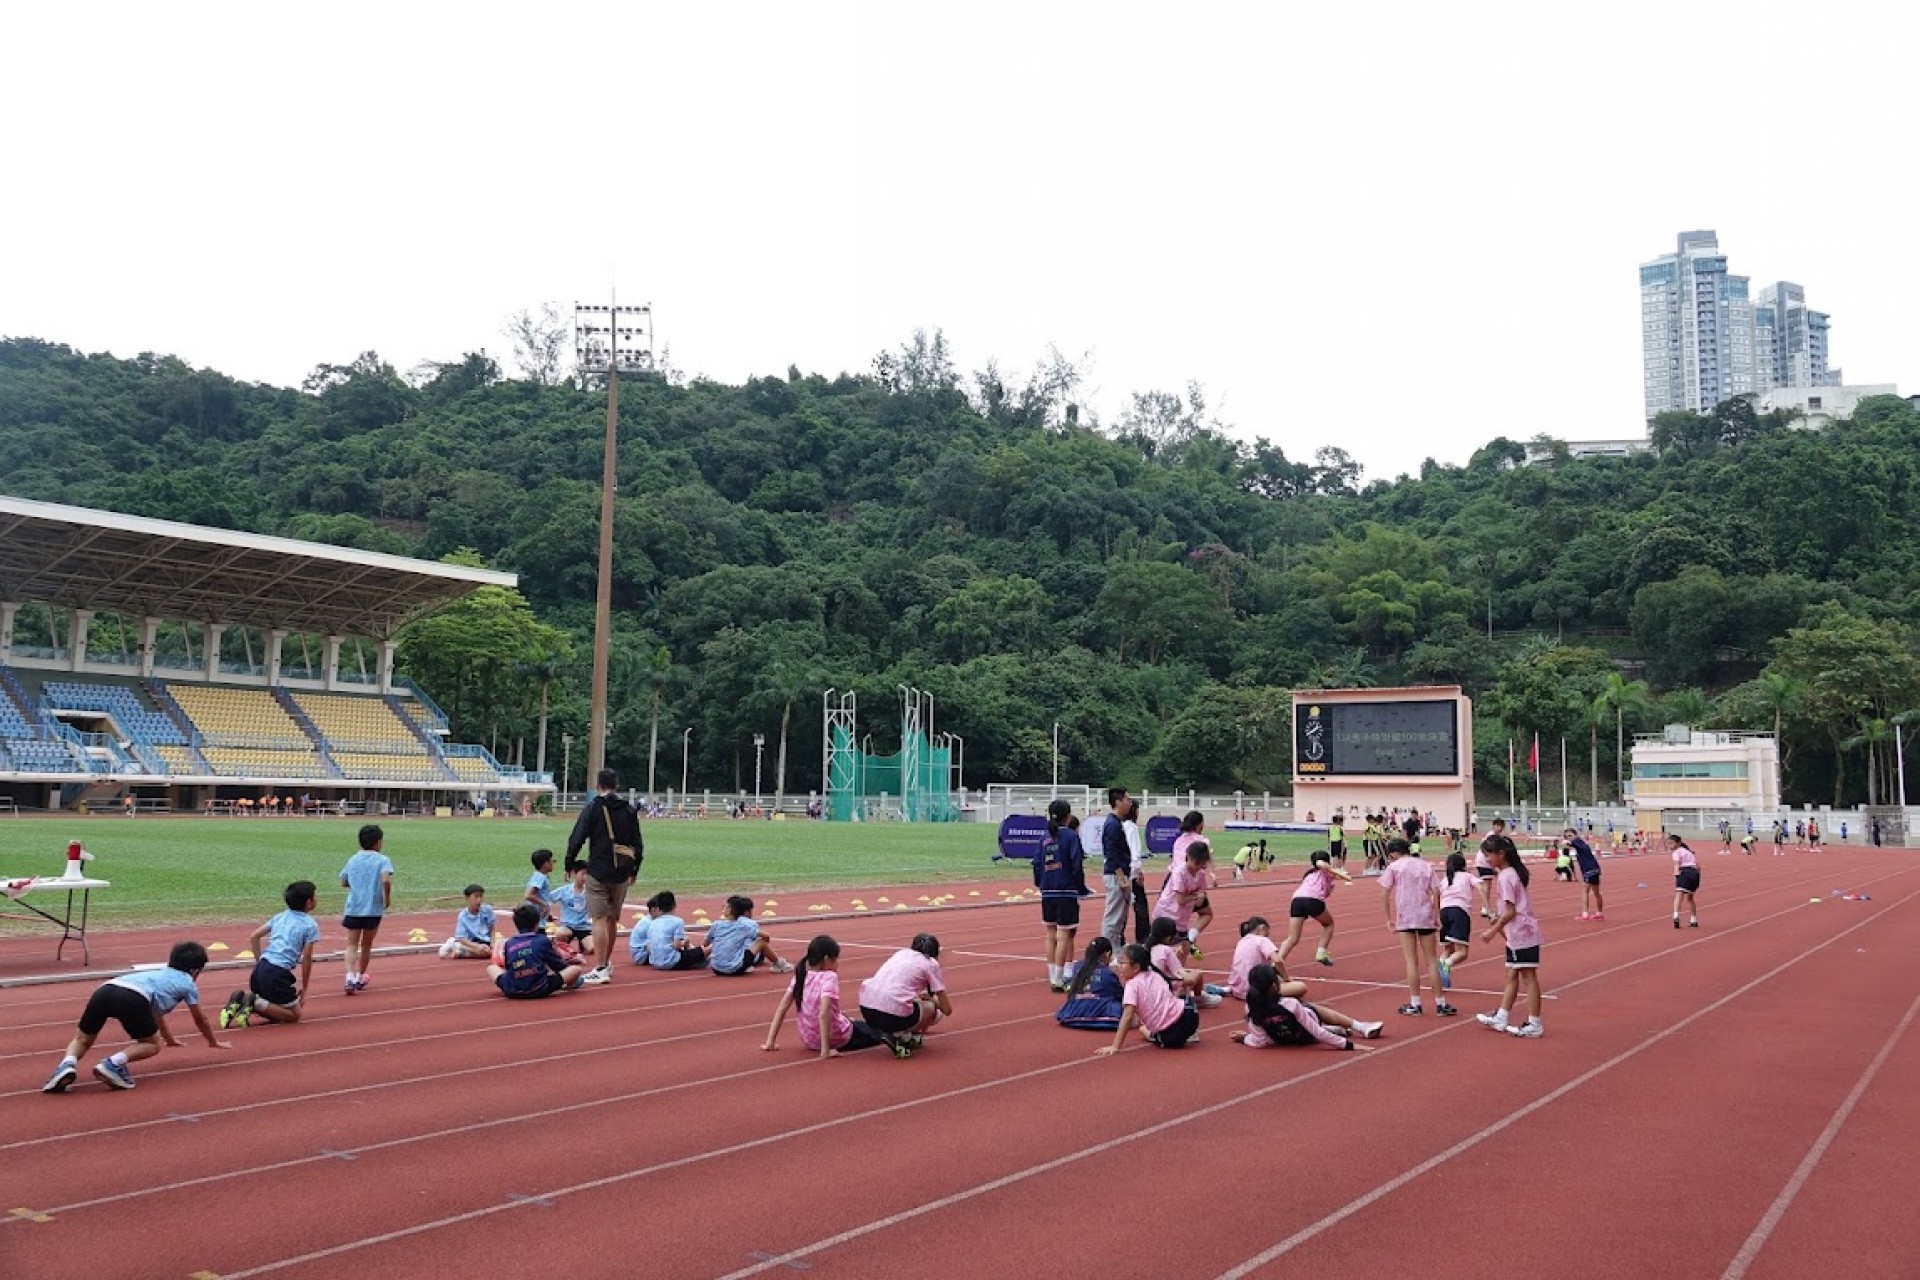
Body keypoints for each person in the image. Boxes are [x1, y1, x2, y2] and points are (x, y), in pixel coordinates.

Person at [43, 941, 229, 1092]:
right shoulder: (188, 984)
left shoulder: (158, 974)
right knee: (153, 1045)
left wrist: (169, 1039)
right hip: (132, 997)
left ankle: (67, 1064)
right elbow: (200, 1019)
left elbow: (156, 1015)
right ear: (195, 971)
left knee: (82, 1039)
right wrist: (213, 1042)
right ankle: (112, 1064)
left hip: (104, 990)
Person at [566, 768, 643, 986]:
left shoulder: (593, 807)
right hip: (622, 871)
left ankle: (600, 968)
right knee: (611, 919)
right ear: (616, 785)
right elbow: (637, 843)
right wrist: (634, 870)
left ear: (598, 785)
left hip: (599, 869)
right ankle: (606, 962)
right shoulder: (628, 809)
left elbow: (577, 837)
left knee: (598, 919)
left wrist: (569, 863)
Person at [762, 935, 888, 1056]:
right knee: (879, 1031)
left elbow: (782, 1008)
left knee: (851, 1021)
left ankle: (849, 1022)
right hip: (836, 1038)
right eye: (836, 959)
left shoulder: (801, 974)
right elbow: (823, 1013)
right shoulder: (829, 977)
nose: (837, 963)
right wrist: (825, 1051)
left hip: (808, 1039)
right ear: (827, 959)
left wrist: (770, 1042)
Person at [223, 881, 320, 1029]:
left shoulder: (280, 917)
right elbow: (307, 959)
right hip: (277, 974)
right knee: (294, 1015)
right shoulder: (310, 925)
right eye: (315, 896)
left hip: (260, 969)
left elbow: (254, 936)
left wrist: (259, 962)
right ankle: (253, 1002)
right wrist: (305, 988)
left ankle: (240, 999)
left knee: (276, 1010)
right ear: (309, 903)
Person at [1477, 836, 1545, 1038]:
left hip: (1522, 932)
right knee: (1511, 974)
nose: (1487, 859)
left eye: (1489, 855)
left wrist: (1493, 930)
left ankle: (1535, 1023)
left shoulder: (1506, 876)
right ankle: (1502, 1016)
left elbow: (1511, 911)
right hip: (1518, 933)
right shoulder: (1510, 873)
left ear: (1501, 854)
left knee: (1528, 977)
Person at [1231, 964, 1382, 1049]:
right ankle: (1360, 1026)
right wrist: (1350, 1046)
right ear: (1274, 985)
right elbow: (1317, 1032)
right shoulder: (1290, 1004)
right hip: (1307, 1036)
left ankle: (1332, 1029)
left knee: (1303, 1018)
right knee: (1314, 1010)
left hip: (1284, 1040)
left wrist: (1244, 1038)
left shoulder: (1251, 1007)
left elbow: (1260, 1041)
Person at [1380, 837, 1447, 1017]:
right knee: (1431, 960)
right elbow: (1436, 891)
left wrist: (1388, 918)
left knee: (1411, 961)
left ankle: (1415, 1003)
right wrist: (1437, 915)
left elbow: (1384, 893)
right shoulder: (1425, 865)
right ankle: (1440, 1003)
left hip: (1405, 916)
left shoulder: (1394, 867)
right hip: (1425, 914)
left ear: (1393, 853)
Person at [1093, 943, 1198, 1055]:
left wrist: (1115, 1046)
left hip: (1170, 1033)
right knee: (1181, 998)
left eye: (1122, 963)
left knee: (1143, 1029)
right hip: (1190, 1015)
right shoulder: (1155, 975)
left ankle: (1175, 1034)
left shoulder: (1132, 985)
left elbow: (1127, 1016)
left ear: (1136, 967)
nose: (1119, 966)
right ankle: (1190, 1033)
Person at [858, 934, 952, 1056]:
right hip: (892, 1015)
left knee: (907, 1003)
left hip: (866, 1008)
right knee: (931, 1008)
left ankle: (900, 1034)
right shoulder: (931, 963)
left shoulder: (901, 953)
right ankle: (900, 1036)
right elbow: (947, 1009)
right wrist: (932, 1000)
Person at [1035, 798, 1088, 991]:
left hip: (1047, 890)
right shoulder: (1071, 837)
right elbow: (1076, 864)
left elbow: (1037, 864)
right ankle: (1059, 978)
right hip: (1066, 891)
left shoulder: (1043, 838)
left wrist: (1040, 884)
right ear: (1068, 816)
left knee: (1050, 934)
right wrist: (1080, 887)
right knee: (1063, 934)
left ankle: (1053, 976)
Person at [488, 902, 586, 999]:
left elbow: (508, 968)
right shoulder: (542, 940)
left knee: (491, 968)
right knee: (575, 970)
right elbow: (558, 965)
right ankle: (569, 985)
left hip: (512, 989)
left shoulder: (508, 943)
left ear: (516, 924)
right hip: (539, 988)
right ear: (537, 923)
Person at [338, 824, 393, 994]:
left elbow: (343, 881)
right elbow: (386, 879)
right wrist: (387, 897)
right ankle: (360, 976)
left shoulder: (353, 859)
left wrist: (356, 884)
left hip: (354, 907)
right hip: (373, 908)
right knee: (366, 944)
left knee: (351, 944)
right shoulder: (382, 860)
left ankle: (349, 976)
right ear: (378, 842)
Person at [1277, 850, 1348, 969]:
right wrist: (1326, 866)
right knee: (1328, 924)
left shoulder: (1309, 874)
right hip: (1313, 900)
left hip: (1297, 900)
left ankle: (1276, 964)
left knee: (1292, 938)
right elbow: (1322, 865)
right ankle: (1321, 952)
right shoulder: (1326, 871)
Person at [1153, 836, 1216, 960]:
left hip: (1181, 918)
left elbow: (1201, 891)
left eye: (1202, 864)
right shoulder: (1179, 873)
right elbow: (1180, 900)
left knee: (1183, 951)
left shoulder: (1200, 874)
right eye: (1196, 863)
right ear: (1189, 857)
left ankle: (1178, 969)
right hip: (1167, 915)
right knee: (1166, 952)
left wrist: (1201, 897)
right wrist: (1196, 897)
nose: (1198, 866)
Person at [1167, 812, 1217, 953]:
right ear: (1200, 825)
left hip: (1172, 881)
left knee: (1172, 915)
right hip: (1191, 880)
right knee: (1206, 913)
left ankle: (1180, 941)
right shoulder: (1202, 840)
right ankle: (1189, 937)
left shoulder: (1178, 840)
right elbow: (1206, 860)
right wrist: (1213, 875)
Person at [707, 895, 792, 975]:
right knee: (761, 942)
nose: (723, 908)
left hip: (716, 968)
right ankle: (779, 964)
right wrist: (766, 942)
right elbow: (766, 936)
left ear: (729, 910)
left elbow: (705, 943)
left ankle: (736, 961)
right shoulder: (743, 926)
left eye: (725, 907)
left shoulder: (716, 924)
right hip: (735, 968)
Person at [1226, 916, 1304, 1002]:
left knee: (1277, 978)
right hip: (1254, 991)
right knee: (1301, 987)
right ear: (1262, 928)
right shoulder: (1262, 940)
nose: (1268, 935)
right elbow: (1277, 960)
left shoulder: (1241, 941)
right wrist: (1287, 978)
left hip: (1237, 989)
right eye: (1268, 931)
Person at [1147, 916, 1221, 1006]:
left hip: (1148, 987)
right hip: (1165, 986)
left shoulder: (1145, 948)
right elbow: (1181, 973)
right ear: (1168, 938)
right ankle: (1197, 998)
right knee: (1197, 974)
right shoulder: (1166, 950)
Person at [1056, 937, 1125, 1030]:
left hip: (1073, 1012)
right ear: (1107, 954)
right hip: (1102, 1013)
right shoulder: (1108, 974)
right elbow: (1120, 995)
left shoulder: (1077, 967)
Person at [1098, 788, 1138, 948]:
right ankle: (1106, 951)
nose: (1130, 803)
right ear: (1118, 802)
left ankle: (1114, 949)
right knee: (1113, 917)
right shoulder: (1113, 825)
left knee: (1119, 917)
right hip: (1116, 875)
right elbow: (1110, 852)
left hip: (1119, 874)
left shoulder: (1116, 823)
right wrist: (1121, 877)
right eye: (1127, 800)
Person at [1437, 853, 1475, 986]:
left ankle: (1441, 963)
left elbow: (1435, 895)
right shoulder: (1467, 876)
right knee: (1462, 952)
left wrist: (1436, 914)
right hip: (1459, 912)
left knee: (1448, 950)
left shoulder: (1445, 879)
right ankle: (1446, 964)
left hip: (1443, 912)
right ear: (1464, 865)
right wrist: (1486, 906)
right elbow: (1481, 887)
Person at [645, 891, 708, 971]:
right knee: (703, 950)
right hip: (671, 962)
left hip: (654, 962)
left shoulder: (652, 923)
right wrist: (684, 942)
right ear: (674, 905)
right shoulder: (677, 921)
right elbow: (677, 945)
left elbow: (649, 947)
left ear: (659, 908)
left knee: (690, 954)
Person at [438, 884, 495, 959]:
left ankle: (460, 950)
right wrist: (476, 946)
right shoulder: (463, 916)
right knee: (485, 953)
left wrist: (493, 945)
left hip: (484, 941)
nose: (479, 900)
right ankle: (455, 944)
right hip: (470, 942)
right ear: (467, 898)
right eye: (476, 896)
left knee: (489, 953)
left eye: (481, 896)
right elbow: (461, 938)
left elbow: (492, 928)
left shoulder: (487, 910)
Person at [551, 866, 595, 956]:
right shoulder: (564, 890)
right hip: (568, 926)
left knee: (592, 949)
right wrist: (548, 914)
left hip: (584, 927)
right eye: (583, 873)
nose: (585, 877)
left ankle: (582, 945)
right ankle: (564, 947)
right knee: (560, 933)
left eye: (588, 874)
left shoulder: (591, 891)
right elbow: (547, 899)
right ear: (574, 874)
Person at [1566, 828, 1604, 921]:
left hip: (1588, 870)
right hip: (1595, 869)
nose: (1569, 838)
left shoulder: (1577, 841)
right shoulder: (1581, 843)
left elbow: (1573, 844)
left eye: (1570, 836)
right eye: (1567, 836)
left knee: (1585, 891)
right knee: (1596, 892)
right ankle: (1599, 913)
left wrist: (1569, 843)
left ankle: (1585, 914)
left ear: (1575, 835)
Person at [1669, 832, 1701, 928]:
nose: (1670, 845)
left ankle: (1676, 916)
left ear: (1678, 843)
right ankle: (1693, 920)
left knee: (1679, 896)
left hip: (1685, 872)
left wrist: (1676, 873)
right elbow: (1698, 867)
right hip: (1694, 874)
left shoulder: (1676, 852)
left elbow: (1676, 864)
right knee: (1690, 898)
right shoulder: (1689, 852)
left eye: (1671, 843)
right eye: (1669, 844)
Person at [524, 849, 558, 925]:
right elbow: (529, 895)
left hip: (537, 918)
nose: (553, 863)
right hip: (537, 921)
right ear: (546, 863)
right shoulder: (540, 877)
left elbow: (540, 895)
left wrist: (548, 915)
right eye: (552, 861)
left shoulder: (539, 876)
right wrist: (545, 905)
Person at [628, 894, 663, 965]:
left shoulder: (652, 920)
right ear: (654, 910)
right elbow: (652, 944)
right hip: (641, 955)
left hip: (643, 951)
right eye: (663, 910)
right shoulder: (649, 923)